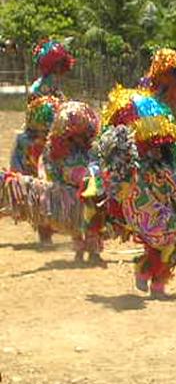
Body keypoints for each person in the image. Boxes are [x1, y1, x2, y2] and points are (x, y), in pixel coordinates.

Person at [92, 86, 176, 298]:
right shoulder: (132, 173)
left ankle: (155, 282)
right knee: (167, 239)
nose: (155, 149)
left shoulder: (164, 168)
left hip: (164, 204)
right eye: (151, 146)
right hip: (147, 205)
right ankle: (148, 273)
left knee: (173, 240)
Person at [40, 101, 104, 264]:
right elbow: (52, 167)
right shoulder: (57, 148)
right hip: (69, 189)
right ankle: (79, 250)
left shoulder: (92, 147)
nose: (78, 137)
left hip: (90, 188)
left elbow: (99, 164)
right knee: (74, 220)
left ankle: (94, 251)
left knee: (93, 218)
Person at [8, 96, 61, 244]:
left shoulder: (56, 142)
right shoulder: (24, 140)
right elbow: (16, 163)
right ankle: (45, 234)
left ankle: (49, 231)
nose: (42, 133)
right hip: (34, 182)